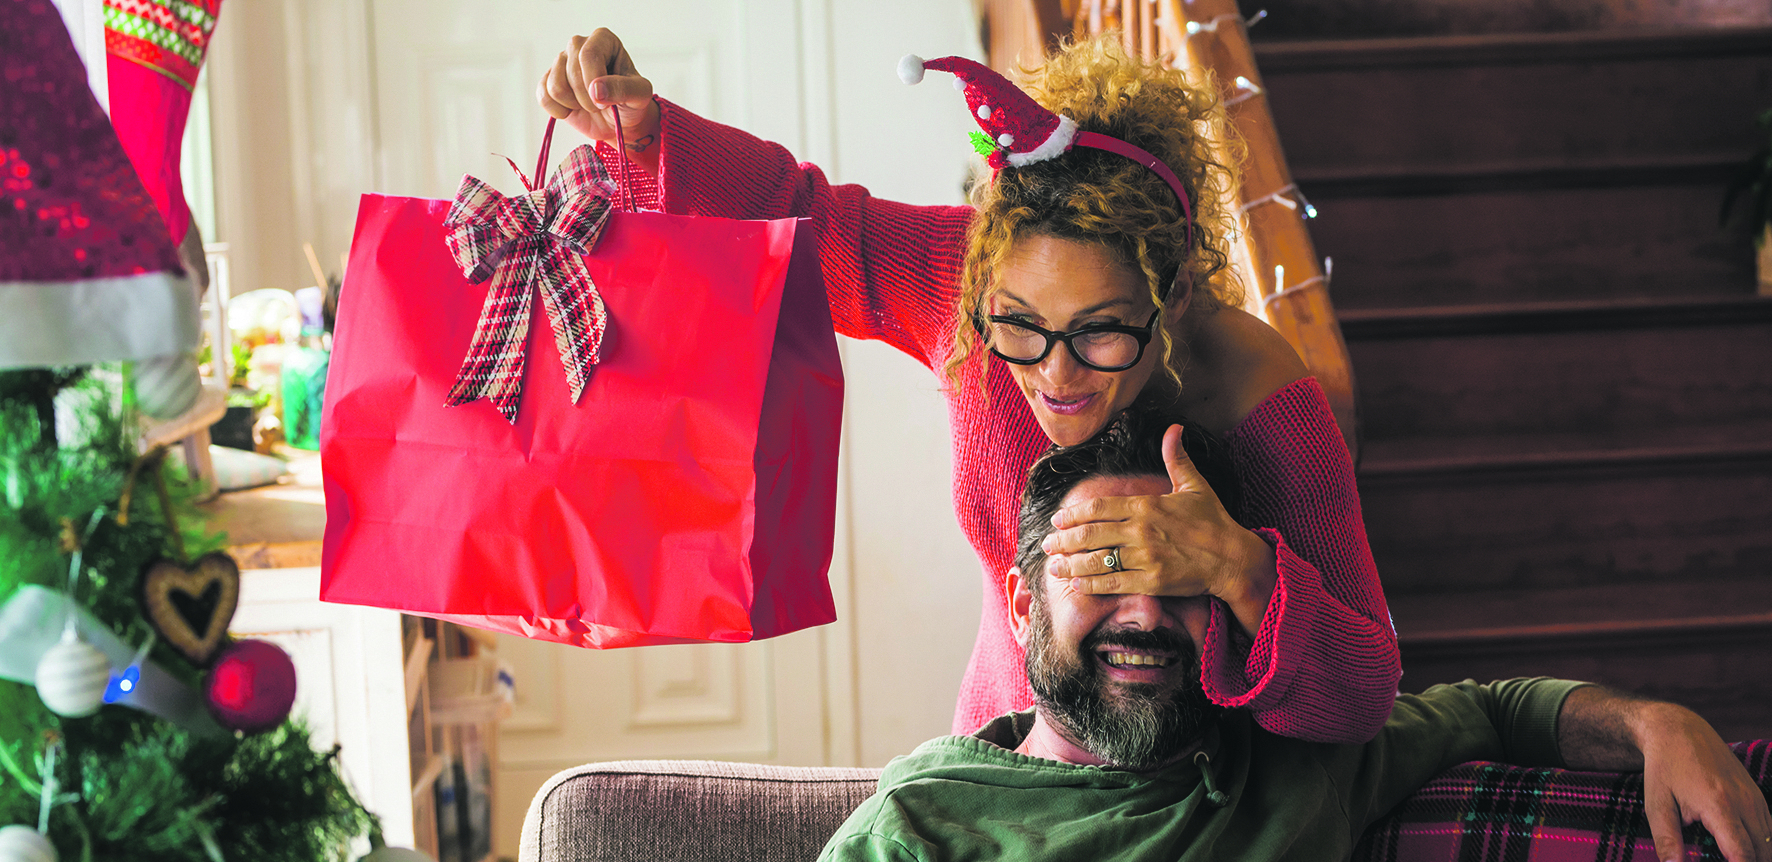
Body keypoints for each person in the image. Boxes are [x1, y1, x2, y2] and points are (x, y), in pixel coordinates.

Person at [537, 30, 1400, 740]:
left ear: (1172, 295)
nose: (1054, 377)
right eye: (1018, 328)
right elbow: (802, 217)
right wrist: (646, 136)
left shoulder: (1259, 392)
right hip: (1009, 753)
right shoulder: (960, 286)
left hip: (1199, 797)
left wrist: (1241, 570)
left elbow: (1367, 696)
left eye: (1101, 331)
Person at [816, 407, 1772, 862]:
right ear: (1023, 604)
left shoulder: (1290, 764)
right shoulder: (921, 824)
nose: (1145, 614)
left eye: (1182, 574)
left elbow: (1495, 711)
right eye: (1109, 570)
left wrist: (1656, 726)